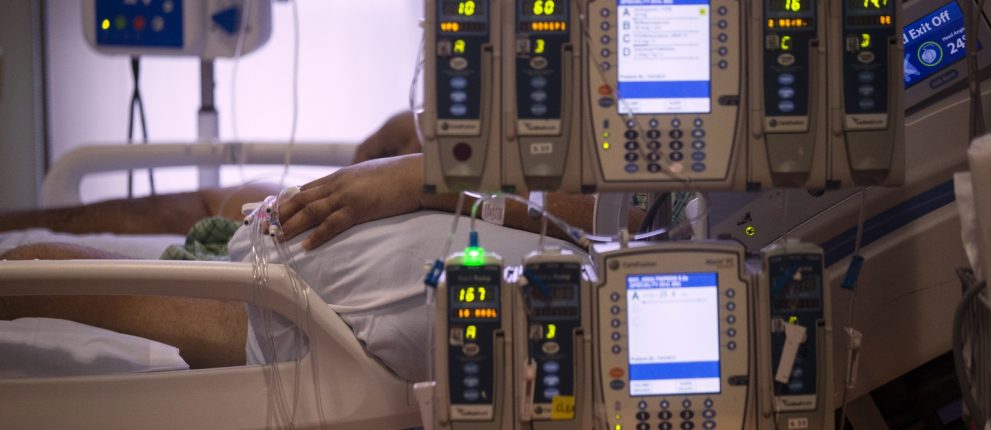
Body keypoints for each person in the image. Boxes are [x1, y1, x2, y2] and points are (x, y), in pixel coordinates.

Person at [0, 112, 642, 378]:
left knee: (64, 269)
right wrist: (414, 166)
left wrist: (420, 173)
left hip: (318, 277)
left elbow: (610, 218)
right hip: (332, 236)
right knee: (190, 228)